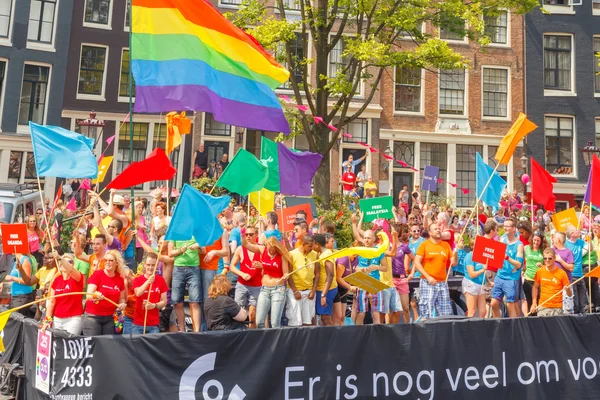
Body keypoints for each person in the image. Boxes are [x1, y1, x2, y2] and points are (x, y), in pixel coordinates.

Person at [242, 233, 291, 329]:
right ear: (266, 246)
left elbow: (286, 273)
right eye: (270, 249)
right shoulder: (263, 250)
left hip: (278, 289)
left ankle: (276, 343)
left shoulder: (281, 255)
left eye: (274, 250)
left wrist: (285, 276)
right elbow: (246, 245)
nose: (272, 252)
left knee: (274, 322)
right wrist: (242, 233)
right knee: (259, 321)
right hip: (265, 289)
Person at [413, 222, 458, 319]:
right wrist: (428, 277)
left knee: (445, 312)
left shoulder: (446, 245)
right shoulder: (424, 245)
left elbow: (453, 263)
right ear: (430, 233)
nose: (438, 230)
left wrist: (456, 253)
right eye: (435, 229)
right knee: (427, 311)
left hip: (443, 282)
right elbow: (416, 262)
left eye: (439, 228)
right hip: (427, 282)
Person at [84, 250, 127, 335]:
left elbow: (122, 298)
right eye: (106, 260)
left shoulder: (120, 279)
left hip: (110, 317)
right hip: (93, 317)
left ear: (117, 263)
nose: (107, 262)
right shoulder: (97, 274)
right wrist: (95, 295)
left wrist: (122, 304)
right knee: (94, 344)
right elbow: (88, 295)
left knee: (107, 344)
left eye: (110, 260)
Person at [43, 254, 84, 335]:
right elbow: (51, 302)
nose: (67, 263)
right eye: (65, 262)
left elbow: (71, 270)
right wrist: (47, 321)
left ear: (73, 265)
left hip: (73, 319)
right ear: (60, 266)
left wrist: (60, 258)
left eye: (70, 262)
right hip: (57, 319)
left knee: (69, 345)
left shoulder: (78, 277)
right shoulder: (57, 279)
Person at [229, 226, 262, 328]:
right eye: (246, 234)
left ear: (256, 235)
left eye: (251, 234)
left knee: (252, 314)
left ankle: (252, 336)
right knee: (238, 312)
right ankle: (239, 333)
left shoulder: (261, 248)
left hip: (256, 285)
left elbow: (268, 265)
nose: (248, 237)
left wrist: (262, 266)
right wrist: (242, 274)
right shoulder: (240, 249)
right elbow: (232, 266)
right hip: (242, 284)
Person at [491, 217, 524, 318]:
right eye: (504, 226)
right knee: (494, 303)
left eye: (507, 226)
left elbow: (518, 264)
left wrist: (507, 257)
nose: (505, 228)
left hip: (511, 279)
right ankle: (497, 324)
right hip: (500, 276)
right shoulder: (502, 239)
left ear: (514, 228)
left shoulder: (519, 245)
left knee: (510, 304)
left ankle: (513, 329)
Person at [354, 230, 389, 325]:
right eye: (365, 238)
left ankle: (377, 337)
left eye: (368, 238)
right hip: (362, 284)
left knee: (375, 313)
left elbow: (385, 268)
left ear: (374, 239)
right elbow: (355, 267)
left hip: (375, 284)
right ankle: (358, 335)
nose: (366, 240)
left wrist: (376, 267)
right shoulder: (359, 251)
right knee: (361, 313)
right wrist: (360, 269)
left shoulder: (379, 252)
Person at [168, 239, 202, 332]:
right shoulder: (175, 232)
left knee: (195, 301)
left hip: (194, 267)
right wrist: (179, 251)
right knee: (177, 302)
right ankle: (182, 330)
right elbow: (170, 253)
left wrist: (198, 245)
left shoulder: (196, 231)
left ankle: (197, 331)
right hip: (178, 268)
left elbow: (204, 250)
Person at [286, 235, 319, 327]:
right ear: (303, 244)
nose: (312, 248)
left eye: (312, 246)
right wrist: (295, 291)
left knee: (308, 321)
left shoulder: (315, 254)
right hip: (295, 291)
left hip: (309, 292)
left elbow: (317, 274)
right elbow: (289, 274)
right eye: (309, 246)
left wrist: (313, 291)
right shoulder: (292, 254)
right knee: (295, 322)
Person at [132, 253, 168, 334]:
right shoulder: (137, 280)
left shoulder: (161, 280)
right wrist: (148, 282)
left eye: (153, 265)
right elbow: (138, 293)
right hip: (138, 324)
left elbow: (164, 301)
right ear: (145, 265)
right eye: (148, 265)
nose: (150, 267)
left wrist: (154, 306)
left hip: (154, 324)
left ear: (156, 265)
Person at [531, 248, 572, 316]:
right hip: (542, 307)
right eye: (545, 258)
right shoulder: (540, 271)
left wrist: (568, 290)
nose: (547, 260)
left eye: (550, 258)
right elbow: (535, 287)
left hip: (557, 308)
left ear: (554, 258)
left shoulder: (562, 273)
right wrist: (534, 303)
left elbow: (570, 294)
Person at [312, 234, 338, 326]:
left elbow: (330, 275)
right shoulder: (320, 253)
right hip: (321, 289)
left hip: (327, 290)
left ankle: (333, 339)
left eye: (312, 245)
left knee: (326, 317)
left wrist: (323, 295)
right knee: (323, 318)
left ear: (317, 244)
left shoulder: (326, 254)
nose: (312, 247)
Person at [391, 226, 415, 323]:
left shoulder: (404, 246)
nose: (393, 232)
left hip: (402, 279)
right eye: (392, 230)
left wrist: (412, 273)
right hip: (390, 280)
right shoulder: (386, 246)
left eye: (395, 230)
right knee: (391, 309)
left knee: (405, 307)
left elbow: (414, 259)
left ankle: (407, 329)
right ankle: (390, 329)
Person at [523, 231, 546, 313]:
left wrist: (542, 266)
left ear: (541, 242)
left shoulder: (543, 251)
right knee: (529, 303)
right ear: (532, 239)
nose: (536, 242)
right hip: (528, 279)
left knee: (537, 303)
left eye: (538, 241)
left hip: (538, 280)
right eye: (535, 240)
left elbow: (547, 265)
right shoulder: (526, 248)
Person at [565, 226, 587, 314]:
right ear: (572, 234)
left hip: (580, 275)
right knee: (575, 301)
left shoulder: (580, 242)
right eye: (576, 230)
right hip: (571, 275)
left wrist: (588, 240)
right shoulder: (566, 244)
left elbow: (590, 248)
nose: (578, 231)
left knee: (583, 302)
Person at [463, 246, 487, 318]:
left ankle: (480, 328)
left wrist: (488, 281)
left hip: (481, 284)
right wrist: (482, 270)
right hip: (471, 284)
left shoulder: (482, 256)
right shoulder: (469, 256)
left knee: (483, 311)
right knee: (472, 311)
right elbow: (471, 274)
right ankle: (469, 328)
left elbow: (483, 272)